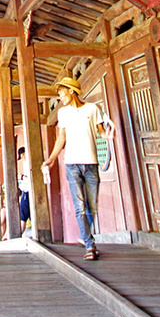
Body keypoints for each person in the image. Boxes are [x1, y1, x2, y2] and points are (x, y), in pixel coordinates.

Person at [42, 76, 114, 260]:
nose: (59, 97)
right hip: (72, 164)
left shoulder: (92, 108)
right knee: (80, 207)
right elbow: (61, 138)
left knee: (92, 206)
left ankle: (85, 236)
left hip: (91, 163)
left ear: (71, 91)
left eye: (61, 93)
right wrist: (51, 158)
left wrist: (108, 136)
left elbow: (101, 133)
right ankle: (90, 246)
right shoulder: (63, 113)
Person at [16, 147, 31, 234]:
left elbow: (29, 177)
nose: (23, 158)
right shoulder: (26, 163)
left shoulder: (29, 163)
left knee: (23, 216)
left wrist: (21, 177)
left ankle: (18, 235)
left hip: (27, 191)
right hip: (26, 190)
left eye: (23, 155)